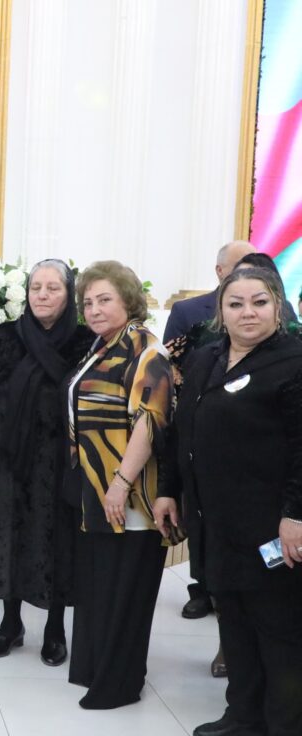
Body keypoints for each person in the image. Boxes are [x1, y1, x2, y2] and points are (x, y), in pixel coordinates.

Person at [155, 267, 302, 736]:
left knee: (278, 629)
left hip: (271, 526)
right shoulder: (206, 358)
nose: (247, 312)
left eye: (259, 302)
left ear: (278, 307)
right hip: (215, 521)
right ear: (221, 311)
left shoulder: (294, 361)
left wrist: (296, 516)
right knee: (233, 622)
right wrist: (168, 489)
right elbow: (182, 431)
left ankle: (284, 723)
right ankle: (243, 716)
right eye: (235, 303)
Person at [0, 259, 93, 663]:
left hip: (60, 464)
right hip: (6, 461)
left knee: (55, 542)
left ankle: (55, 628)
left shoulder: (85, 341)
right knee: (9, 539)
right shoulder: (5, 336)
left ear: (69, 295)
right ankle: (10, 624)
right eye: (36, 287)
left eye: (53, 288)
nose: (42, 295)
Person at [66, 260, 174, 710]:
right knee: (103, 584)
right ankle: (98, 669)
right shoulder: (104, 345)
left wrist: (121, 482)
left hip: (129, 494)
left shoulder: (145, 348)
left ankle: (120, 684)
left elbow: (150, 420)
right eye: (88, 302)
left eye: (104, 299)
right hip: (98, 489)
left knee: (125, 590)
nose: (94, 309)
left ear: (128, 300)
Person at [163, 240, 255, 345]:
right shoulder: (185, 312)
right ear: (219, 270)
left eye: (255, 266)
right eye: (241, 266)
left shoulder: (266, 312)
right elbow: (170, 354)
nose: (250, 272)